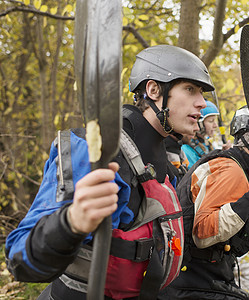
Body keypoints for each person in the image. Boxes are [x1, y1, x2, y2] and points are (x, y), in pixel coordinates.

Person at [5, 44, 215, 299]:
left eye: (201, 92)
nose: (202, 102)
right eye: (190, 89)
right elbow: (19, 259)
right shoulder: (97, 149)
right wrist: (71, 222)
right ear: (154, 90)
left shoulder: (165, 160)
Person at [158, 106, 249, 300]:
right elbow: (202, 232)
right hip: (191, 280)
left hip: (201, 276)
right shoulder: (230, 169)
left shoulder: (236, 166)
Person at [181, 100, 231, 168]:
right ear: (199, 123)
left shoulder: (207, 145)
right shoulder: (186, 148)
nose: (215, 125)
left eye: (215, 121)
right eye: (211, 121)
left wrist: (222, 155)